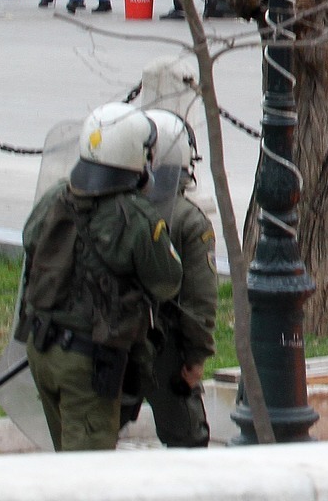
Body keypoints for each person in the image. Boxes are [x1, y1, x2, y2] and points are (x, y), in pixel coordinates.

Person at [14, 102, 184, 451]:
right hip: (85, 363)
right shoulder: (135, 217)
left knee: (66, 457)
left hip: (41, 347)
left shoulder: (56, 198)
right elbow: (167, 281)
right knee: (88, 474)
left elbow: (29, 243)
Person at [137, 110, 217, 448]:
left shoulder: (112, 211)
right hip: (163, 346)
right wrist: (195, 357)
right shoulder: (189, 221)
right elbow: (200, 300)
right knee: (188, 441)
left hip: (107, 339)